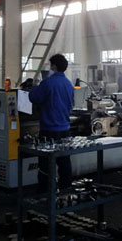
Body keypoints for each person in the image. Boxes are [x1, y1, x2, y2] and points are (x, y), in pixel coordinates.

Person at [29, 54, 74, 192]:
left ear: (54, 66)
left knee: (45, 163)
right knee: (64, 161)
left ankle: (45, 192)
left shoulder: (48, 82)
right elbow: (71, 104)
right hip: (65, 129)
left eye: (50, 65)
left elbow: (34, 98)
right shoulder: (68, 84)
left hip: (49, 130)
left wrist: (34, 86)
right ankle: (66, 191)